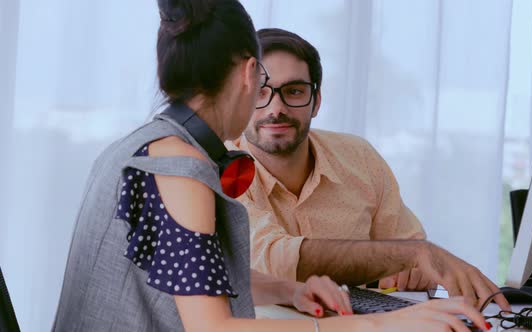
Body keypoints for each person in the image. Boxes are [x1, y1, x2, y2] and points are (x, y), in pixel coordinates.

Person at [52, 1, 492, 331]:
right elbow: (216, 329)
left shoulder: (145, 146)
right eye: (265, 83)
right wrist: (378, 324)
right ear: (249, 74)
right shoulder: (178, 166)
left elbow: (192, 278)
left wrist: (289, 291)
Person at [232, 27, 510, 310]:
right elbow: (271, 260)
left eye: (294, 91)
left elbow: (408, 249)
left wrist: (412, 267)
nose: (275, 108)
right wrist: (410, 255)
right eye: (259, 92)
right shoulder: (219, 166)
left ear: (316, 101)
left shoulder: (359, 157)